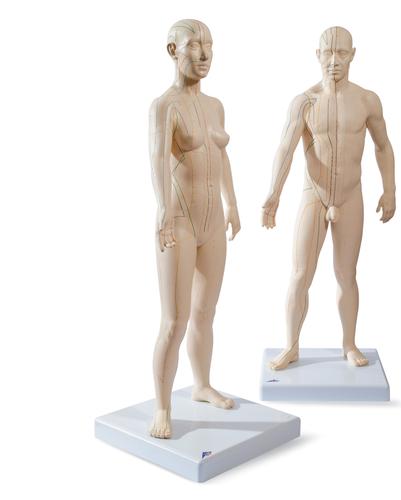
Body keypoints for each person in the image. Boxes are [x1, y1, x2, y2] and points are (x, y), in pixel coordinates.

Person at [262, 26, 395, 369]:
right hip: (315, 194)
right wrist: (274, 193)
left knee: (346, 274)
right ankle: (291, 345)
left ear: (353, 55)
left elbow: (382, 146)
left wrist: (390, 189)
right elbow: (285, 148)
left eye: (342, 53)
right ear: (317, 55)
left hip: (350, 195)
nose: (334, 60)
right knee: (300, 274)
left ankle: (349, 343)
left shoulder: (367, 100)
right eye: (327, 53)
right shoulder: (305, 102)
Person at [149, 19, 241, 438]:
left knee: (206, 312)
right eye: (193, 46)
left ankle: (201, 385)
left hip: (213, 222)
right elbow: (156, 158)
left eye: (209, 46)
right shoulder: (164, 106)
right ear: (173, 51)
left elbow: (221, 156)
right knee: (175, 320)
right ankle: (162, 407)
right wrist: (162, 209)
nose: (204, 55)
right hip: (180, 222)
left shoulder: (215, 106)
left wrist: (232, 202)